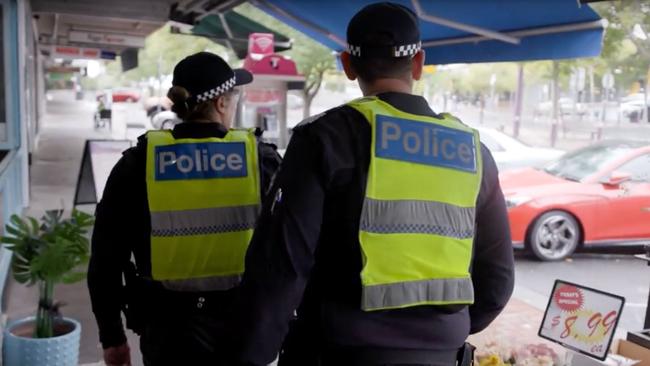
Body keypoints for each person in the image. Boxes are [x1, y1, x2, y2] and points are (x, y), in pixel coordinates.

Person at [227, 3, 515, 366]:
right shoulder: (474, 152)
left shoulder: (326, 139)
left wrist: (251, 355)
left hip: (339, 351)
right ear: (418, 63)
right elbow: (497, 280)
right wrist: (437, 335)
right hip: (441, 353)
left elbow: (283, 265)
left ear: (347, 65)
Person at [88, 52, 281, 366]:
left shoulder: (138, 164)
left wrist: (112, 337)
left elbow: (106, 260)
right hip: (245, 329)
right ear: (221, 103)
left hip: (166, 334)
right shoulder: (260, 161)